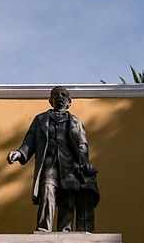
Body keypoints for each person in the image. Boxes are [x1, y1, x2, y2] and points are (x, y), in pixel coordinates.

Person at [6, 85, 99, 233]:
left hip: (70, 166)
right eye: (56, 95)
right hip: (49, 165)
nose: (59, 97)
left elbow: (83, 145)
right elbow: (30, 140)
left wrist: (85, 162)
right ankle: (43, 228)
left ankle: (65, 230)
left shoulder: (76, 122)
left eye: (63, 95)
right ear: (50, 101)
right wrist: (19, 153)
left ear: (69, 102)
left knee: (68, 198)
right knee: (47, 192)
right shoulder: (40, 119)